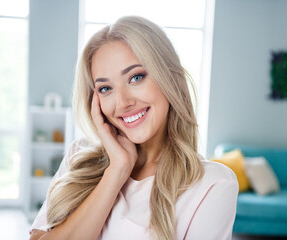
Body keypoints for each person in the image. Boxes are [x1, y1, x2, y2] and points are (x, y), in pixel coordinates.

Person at [29, 16, 238, 240]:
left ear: (169, 77)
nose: (122, 103)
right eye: (106, 88)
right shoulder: (79, 156)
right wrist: (117, 170)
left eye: (136, 77)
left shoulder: (212, 184)